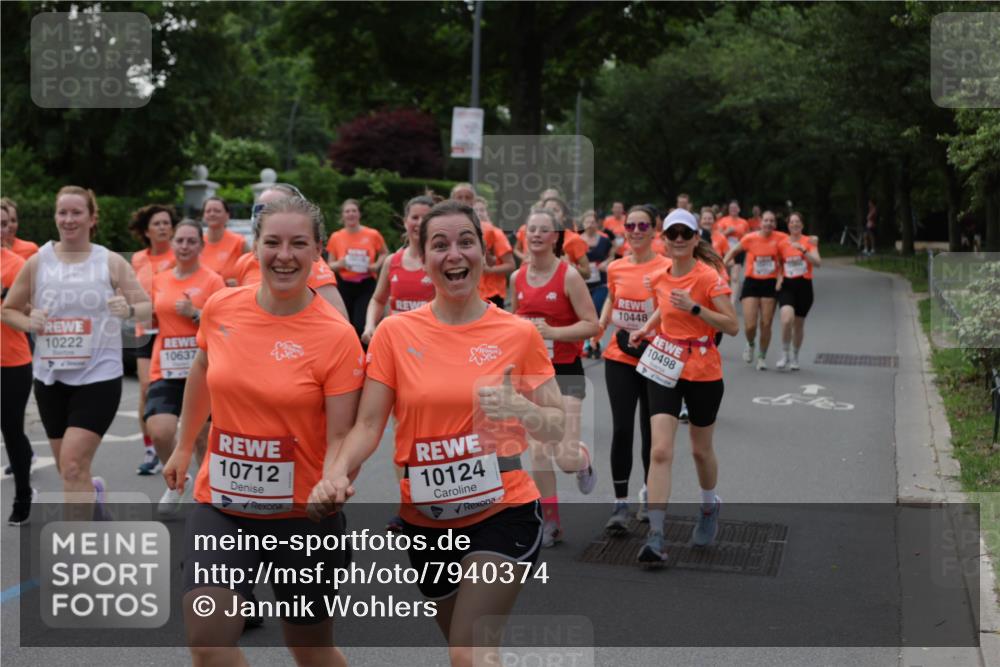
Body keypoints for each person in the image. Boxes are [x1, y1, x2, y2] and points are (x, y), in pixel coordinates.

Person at [309, 200, 568, 667]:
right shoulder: (394, 333)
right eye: (440, 245)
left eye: (466, 242)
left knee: (467, 654)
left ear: (484, 255)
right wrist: (337, 472)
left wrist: (519, 407)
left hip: (503, 508)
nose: (454, 254)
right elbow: (368, 425)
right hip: (425, 521)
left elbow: (557, 426)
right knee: (466, 650)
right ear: (422, 257)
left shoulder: (517, 334)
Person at [162, 196, 363, 667]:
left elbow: (342, 435)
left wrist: (334, 478)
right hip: (223, 505)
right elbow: (202, 370)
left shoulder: (336, 335)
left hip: (304, 516)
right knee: (209, 641)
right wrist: (182, 445)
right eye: (272, 242)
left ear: (318, 252)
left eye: (298, 243)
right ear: (255, 248)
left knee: (310, 650)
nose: (284, 255)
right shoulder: (221, 309)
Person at [2, 186, 152, 515]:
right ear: (55, 217)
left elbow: (147, 309)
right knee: (70, 470)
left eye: (76, 213)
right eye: (63, 213)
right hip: (51, 378)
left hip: (99, 376)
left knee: (71, 467)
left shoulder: (110, 262)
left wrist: (126, 309)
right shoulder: (38, 262)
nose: (69, 220)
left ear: (91, 218)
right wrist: (29, 323)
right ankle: (94, 496)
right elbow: (8, 309)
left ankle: (75, 558)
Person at [628, 209, 738, 565]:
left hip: (704, 368)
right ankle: (656, 535)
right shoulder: (659, 276)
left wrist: (695, 309)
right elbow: (664, 305)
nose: (677, 239)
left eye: (684, 234)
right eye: (672, 233)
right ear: (664, 238)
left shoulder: (708, 278)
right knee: (660, 450)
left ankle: (708, 507)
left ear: (695, 239)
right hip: (665, 364)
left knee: (700, 451)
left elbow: (732, 325)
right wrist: (647, 327)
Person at [511, 208, 599, 547]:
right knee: (537, 451)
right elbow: (511, 321)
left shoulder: (569, 276)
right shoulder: (517, 278)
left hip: (565, 371)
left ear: (555, 237)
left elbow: (593, 325)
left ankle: (583, 459)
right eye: (530, 229)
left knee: (564, 457)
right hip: (532, 375)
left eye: (542, 230)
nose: (534, 235)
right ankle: (551, 521)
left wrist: (553, 331)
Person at [144, 220, 225, 516]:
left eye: (192, 241)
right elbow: (152, 318)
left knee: (203, 436)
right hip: (166, 368)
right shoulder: (160, 279)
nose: (185, 246)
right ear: (173, 243)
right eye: (180, 240)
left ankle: (207, 499)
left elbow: (224, 324)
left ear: (201, 246)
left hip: (203, 368)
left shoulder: (212, 281)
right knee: (161, 431)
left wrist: (195, 314)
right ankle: (178, 480)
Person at [599, 205, 671, 532]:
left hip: (656, 357)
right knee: (622, 429)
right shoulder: (616, 267)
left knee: (650, 433)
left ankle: (647, 495)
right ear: (624, 229)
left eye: (644, 225)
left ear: (654, 230)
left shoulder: (667, 266)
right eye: (631, 225)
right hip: (620, 356)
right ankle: (619, 503)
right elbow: (612, 300)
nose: (637, 230)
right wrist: (598, 329)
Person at [236, 185, 349, 320]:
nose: (270, 215)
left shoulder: (311, 265)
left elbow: (338, 318)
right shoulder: (244, 261)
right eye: (260, 209)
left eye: (277, 206)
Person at [129, 204, 178, 476]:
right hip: (145, 330)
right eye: (156, 223)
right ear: (146, 230)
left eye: (166, 223)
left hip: (173, 331)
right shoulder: (137, 259)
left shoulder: (178, 254)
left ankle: (180, 443)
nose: (162, 227)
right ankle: (151, 449)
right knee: (146, 387)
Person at [362, 195, 436, 345]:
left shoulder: (439, 262)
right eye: (415, 217)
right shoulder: (392, 261)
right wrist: (370, 325)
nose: (420, 223)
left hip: (428, 340)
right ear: (405, 221)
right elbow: (378, 300)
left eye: (425, 218)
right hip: (396, 340)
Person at [724, 210, 783, 370]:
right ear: (760, 223)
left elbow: (791, 252)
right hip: (752, 283)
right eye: (766, 220)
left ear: (775, 224)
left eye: (772, 221)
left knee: (766, 323)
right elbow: (734, 250)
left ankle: (762, 356)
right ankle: (750, 344)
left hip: (770, 284)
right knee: (750, 325)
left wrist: (781, 277)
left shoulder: (781, 238)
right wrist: (722, 265)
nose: (769, 223)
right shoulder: (750, 238)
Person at [2, 244, 35, 524]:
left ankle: (23, 496)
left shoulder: (14, 264)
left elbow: (30, 309)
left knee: (11, 431)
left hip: (10, 361)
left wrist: (6, 296)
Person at [326, 199, 388, 336]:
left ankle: (366, 354)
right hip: (344, 285)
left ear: (359, 214)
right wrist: (340, 264)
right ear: (342, 216)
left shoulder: (372, 234)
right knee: (344, 325)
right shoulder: (336, 237)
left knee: (361, 325)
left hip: (366, 284)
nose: (351, 214)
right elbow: (329, 265)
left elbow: (384, 253)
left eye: (354, 211)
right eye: (347, 211)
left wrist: (376, 265)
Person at [776, 212, 821, 371]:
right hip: (787, 286)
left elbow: (818, 263)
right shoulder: (782, 243)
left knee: (798, 324)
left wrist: (803, 250)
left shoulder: (808, 241)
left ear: (802, 225)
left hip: (804, 286)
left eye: (797, 222)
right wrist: (779, 277)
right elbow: (778, 264)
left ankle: (795, 356)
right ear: (788, 226)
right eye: (792, 222)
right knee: (786, 319)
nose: (794, 224)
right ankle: (784, 354)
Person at [579, 209, 613, 357]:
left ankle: (595, 341)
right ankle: (589, 343)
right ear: (583, 223)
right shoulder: (577, 240)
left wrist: (606, 262)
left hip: (600, 281)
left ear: (597, 223)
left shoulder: (604, 240)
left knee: (597, 310)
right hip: (582, 283)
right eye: (587, 221)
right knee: (584, 315)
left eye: (593, 221)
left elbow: (613, 254)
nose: (590, 224)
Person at [474, 197, 516, 309]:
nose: (479, 214)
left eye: (482, 210)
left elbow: (511, 265)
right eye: (475, 210)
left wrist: (490, 270)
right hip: (472, 294)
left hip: (493, 293)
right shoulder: (465, 235)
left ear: (488, 214)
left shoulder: (497, 234)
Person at [200, 196, 248, 286]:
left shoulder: (239, 242)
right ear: (203, 216)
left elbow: (252, 271)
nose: (212, 214)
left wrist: (240, 283)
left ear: (227, 216)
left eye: (217, 211)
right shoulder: (197, 243)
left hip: (229, 294)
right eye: (208, 211)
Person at [542, 197, 590, 280]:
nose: (551, 214)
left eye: (555, 210)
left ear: (564, 217)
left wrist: (570, 266)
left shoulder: (574, 239)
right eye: (547, 211)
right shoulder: (536, 237)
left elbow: (587, 274)